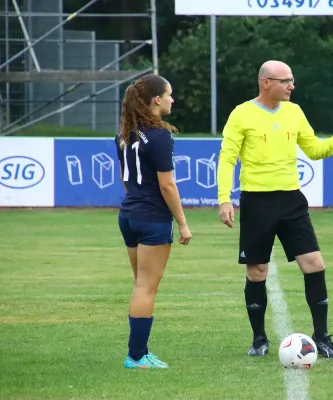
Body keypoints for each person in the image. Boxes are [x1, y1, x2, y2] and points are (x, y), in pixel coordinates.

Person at [216, 60, 333, 359]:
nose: (291, 86)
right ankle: (259, 339)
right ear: (266, 82)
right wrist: (224, 198)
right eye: (285, 81)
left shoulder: (294, 112)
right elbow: (227, 158)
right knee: (257, 271)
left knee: (314, 264)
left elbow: (313, 150)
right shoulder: (241, 114)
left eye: (292, 80)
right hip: (256, 202)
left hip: (291, 201)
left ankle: (322, 337)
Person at [115, 74, 192, 369]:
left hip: (129, 215)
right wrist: (183, 223)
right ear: (157, 99)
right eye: (170, 94)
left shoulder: (124, 132)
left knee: (140, 286)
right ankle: (135, 357)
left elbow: (126, 180)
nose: (173, 99)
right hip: (152, 219)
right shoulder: (160, 135)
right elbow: (167, 186)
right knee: (146, 288)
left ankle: (140, 353)